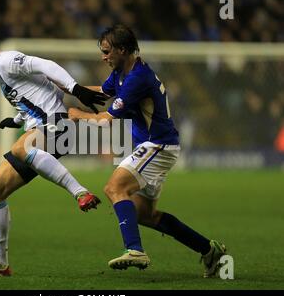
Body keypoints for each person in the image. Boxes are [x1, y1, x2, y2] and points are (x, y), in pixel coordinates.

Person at [68, 24, 227, 278]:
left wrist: (77, 114)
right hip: (157, 145)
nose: (103, 56)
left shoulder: (137, 78)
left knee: (114, 188)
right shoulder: (122, 72)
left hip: (158, 145)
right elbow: (103, 92)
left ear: (122, 50)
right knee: (145, 214)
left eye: (107, 51)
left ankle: (134, 249)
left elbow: (107, 118)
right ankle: (209, 250)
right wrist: (67, 87)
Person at [0, 28, 108, 277]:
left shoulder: (8, 61)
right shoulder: (0, 73)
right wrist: (17, 121)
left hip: (56, 125)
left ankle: (80, 192)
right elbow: (31, 95)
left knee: (20, 147)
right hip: (40, 129)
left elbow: (45, 65)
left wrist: (75, 87)